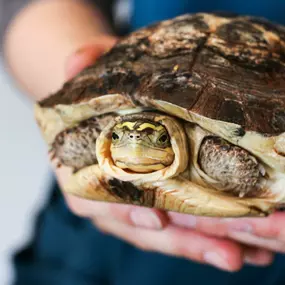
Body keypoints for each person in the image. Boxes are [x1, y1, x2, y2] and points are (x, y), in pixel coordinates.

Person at [1, 0, 285, 284]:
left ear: (175, 139)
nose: (135, 142)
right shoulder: (104, 129)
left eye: (158, 138)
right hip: (94, 252)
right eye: (119, 136)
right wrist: (66, 66)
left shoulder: (210, 146)